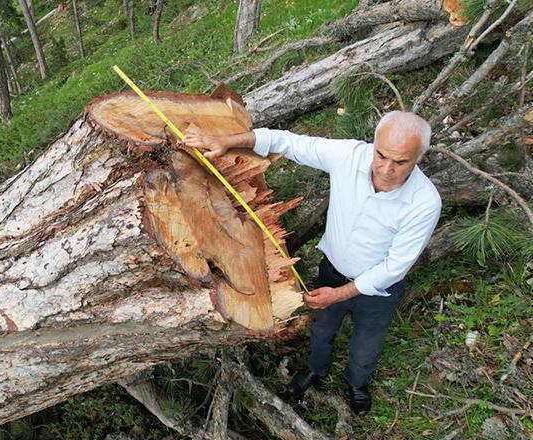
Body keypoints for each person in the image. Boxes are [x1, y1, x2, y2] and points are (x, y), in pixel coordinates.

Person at [182, 111, 441, 416]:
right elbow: (288, 143)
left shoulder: (424, 202)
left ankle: (357, 383)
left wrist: (341, 294)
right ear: (373, 144)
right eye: (381, 155)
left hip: (379, 291)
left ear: (419, 158)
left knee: (365, 346)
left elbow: (394, 267)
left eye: (400, 162)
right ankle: (315, 369)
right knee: (321, 330)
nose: (385, 169)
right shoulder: (349, 156)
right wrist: (226, 141)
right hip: (332, 272)